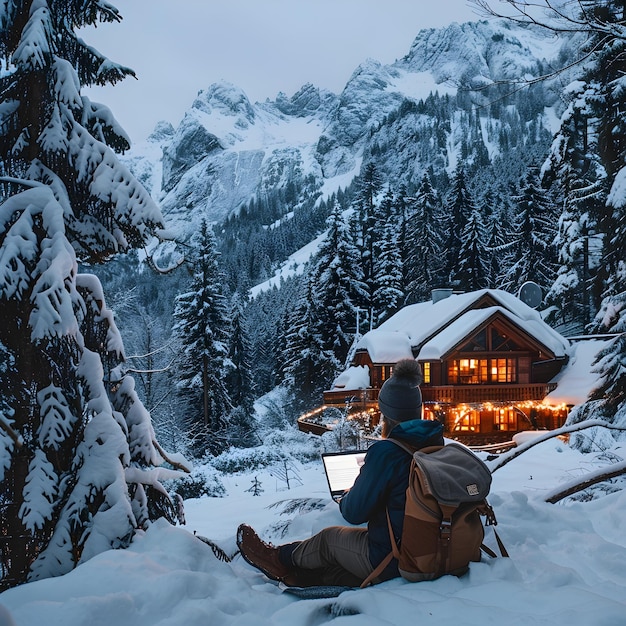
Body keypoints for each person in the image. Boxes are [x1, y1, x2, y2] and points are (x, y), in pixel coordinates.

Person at [237, 358, 445, 587]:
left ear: (386, 413)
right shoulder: (435, 445)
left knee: (329, 539)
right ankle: (299, 576)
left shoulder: (387, 452)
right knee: (337, 570)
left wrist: (349, 493)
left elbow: (353, 513)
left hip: (395, 557)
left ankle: (276, 559)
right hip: (435, 552)